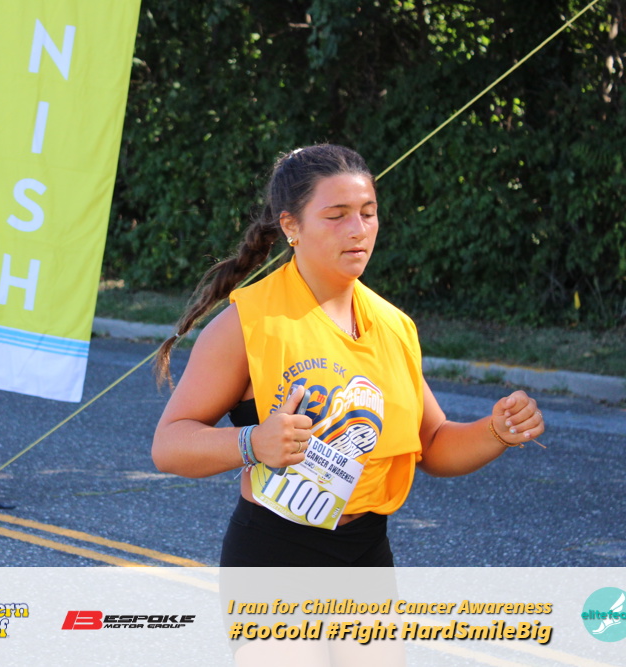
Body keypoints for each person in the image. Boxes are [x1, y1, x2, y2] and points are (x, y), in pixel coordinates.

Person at [152, 144, 546, 567]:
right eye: (336, 215)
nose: (358, 229)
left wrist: (497, 431)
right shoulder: (246, 323)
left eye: (368, 212)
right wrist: (253, 442)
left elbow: (432, 443)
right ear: (292, 226)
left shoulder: (394, 326)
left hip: (368, 551)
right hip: (274, 554)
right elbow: (169, 446)